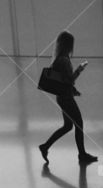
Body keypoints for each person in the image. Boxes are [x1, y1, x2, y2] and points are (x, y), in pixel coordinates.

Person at [38, 31, 98, 166]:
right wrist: (80, 69)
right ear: (68, 45)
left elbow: (62, 81)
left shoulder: (58, 59)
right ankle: (82, 155)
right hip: (66, 98)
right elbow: (69, 80)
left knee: (68, 126)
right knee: (79, 124)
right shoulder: (64, 60)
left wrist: (73, 90)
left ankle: (45, 146)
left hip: (62, 97)